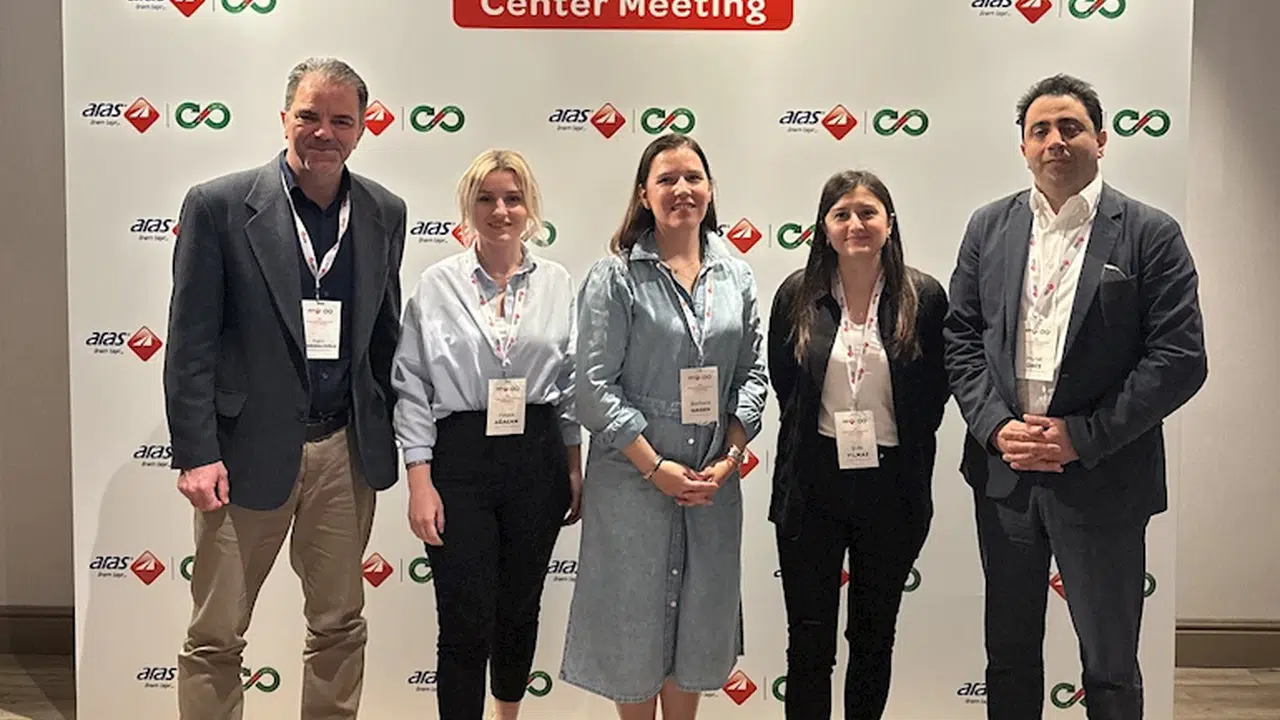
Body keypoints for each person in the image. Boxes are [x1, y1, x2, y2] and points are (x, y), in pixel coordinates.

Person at [943, 73, 1207, 720]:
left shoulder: (1150, 233)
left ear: (1101, 139)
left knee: (1110, 666)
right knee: (1009, 657)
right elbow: (962, 337)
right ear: (1023, 147)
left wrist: (1081, 437)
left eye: (1070, 127)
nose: (1054, 141)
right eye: (1040, 130)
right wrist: (995, 426)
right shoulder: (989, 226)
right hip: (1006, 477)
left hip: (1104, 476)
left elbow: (1179, 359)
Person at [163, 57, 407, 720]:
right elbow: (189, 345)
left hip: (343, 452)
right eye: (309, 115)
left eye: (341, 120)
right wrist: (197, 453)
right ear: (284, 119)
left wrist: (395, 439)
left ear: (363, 128)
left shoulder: (385, 212)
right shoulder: (218, 206)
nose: (324, 132)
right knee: (216, 635)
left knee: (339, 627)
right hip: (242, 455)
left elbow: (384, 339)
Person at [559, 133, 769, 720]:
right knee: (632, 630)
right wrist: (655, 468)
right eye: (667, 179)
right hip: (631, 484)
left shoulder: (737, 275)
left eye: (693, 178)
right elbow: (593, 388)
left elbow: (753, 375)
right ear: (643, 194)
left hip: (710, 484)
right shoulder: (616, 277)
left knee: (697, 628)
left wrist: (729, 460)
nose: (682, 190)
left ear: (710, 189)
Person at [390, 149, 581, 720]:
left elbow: (570, 382)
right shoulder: (437, 284)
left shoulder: (556, 282)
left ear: (530, 207)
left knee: (520, 609)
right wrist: (419, 478)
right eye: (487, 198)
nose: (500, 210)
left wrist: (574, 466)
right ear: (468, 207)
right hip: (460, 461)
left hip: (538, 457)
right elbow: (411, 383)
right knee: (463, 618)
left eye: (513, 198)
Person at [767, 169, 949, 719]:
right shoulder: (797, 296)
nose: (855, 224)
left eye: (868, 212)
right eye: (842, 214)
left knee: (873, 638)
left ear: (889, 223)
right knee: (809, 642)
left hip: (892, 487)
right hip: (812, 486)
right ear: (824, 227)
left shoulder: (923, 297)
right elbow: (786, 383)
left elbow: (935, 391)